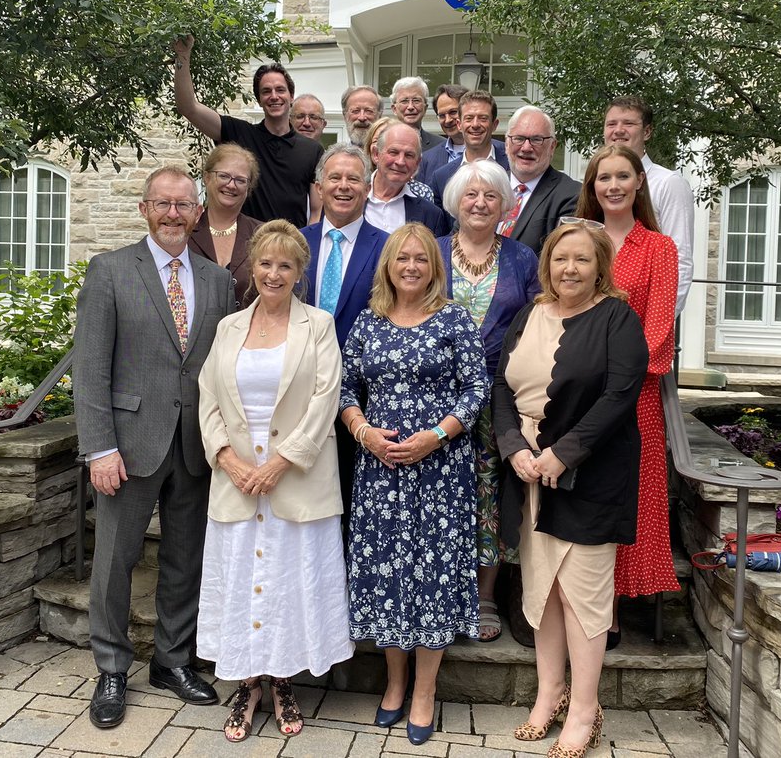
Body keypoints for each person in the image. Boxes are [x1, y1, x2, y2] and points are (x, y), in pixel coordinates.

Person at [74, 167, 235, 729]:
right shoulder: (111, 271)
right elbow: (90, 369)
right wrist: (99, 449)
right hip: (129, 446)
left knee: (184, 560)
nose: (173, 214)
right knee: (115, 561)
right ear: (145, 209)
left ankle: (172, 662)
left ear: (197, 213)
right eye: (162, 204)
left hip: (195, 447)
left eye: (183, 205)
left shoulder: (218, 281)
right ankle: (112, 669)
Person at [491, 222, 648, 758]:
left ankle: (584, 708)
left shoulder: (617, 318)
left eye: (582, 260)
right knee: (543, 588)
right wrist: (514, 447)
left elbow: (620, 394)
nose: (570, 269)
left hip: (590, 475)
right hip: (530, 472)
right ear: (547, 265)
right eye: (561, 260)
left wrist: (564, 452)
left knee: (582, 595)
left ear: (600, 265)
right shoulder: (529, 313)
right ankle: (549, 693)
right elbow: (501, 388)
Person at [197, 220, 352, 742]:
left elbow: (324, 399)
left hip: (295, 480)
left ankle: (283, 679)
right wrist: (228, 459)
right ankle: (246, 683)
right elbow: (208, 399)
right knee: (242, 581)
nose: (273, 273)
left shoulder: (320, 326)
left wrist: (281, 462)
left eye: (285, 264)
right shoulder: (228, 329)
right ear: (252, 267)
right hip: (237, 481)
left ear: (300, 272)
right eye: (265, 262)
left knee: (287, 584)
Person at [339, 222, 489, 746]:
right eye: (401, 258)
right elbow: (345, 389)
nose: (410, 267)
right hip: (380, 473)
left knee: (433, 578)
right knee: (388, 575)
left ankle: (425, 690)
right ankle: (394, 682)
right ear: (387, 265)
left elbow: (476, 390)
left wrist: (434, 436)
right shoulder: (368, 321)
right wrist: (364, 432)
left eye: (420, 259)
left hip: (439, 472)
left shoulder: (454, 320)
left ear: (434, 267)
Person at [576, 144, 680, 646]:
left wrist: (613, 377)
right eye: (603, 178)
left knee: (624, 499)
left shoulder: (659, 248)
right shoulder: (578, 240)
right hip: (576, 392)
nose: (612, 186)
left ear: (639, 181)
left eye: (622, 176)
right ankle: (575, 603)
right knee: (582, 495)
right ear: (591, 187)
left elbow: (659, 328)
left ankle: (610, 608)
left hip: (633, 397)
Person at [437, 161, 540, 643]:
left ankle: (484, 596)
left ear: (505, 205)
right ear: (455, 200)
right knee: (440, 493)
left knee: (491, 497)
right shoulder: (431, 253)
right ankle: (440, 590)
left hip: (501, 397)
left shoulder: (523, 259)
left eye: (491, 196)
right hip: (435, 397)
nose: (480, 203)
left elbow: (540, 321)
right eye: (471, 194)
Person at [300, 144, 388, 510]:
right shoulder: (295, 244)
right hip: (299, 393)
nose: (343, 185)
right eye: (334, 177)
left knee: (354, 501)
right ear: (319, 187)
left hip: (363, 401)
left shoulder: (387, 248)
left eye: (354, 178)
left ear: (368, 188)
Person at [174, 35, 321, 228]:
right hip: (243, 247)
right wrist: (182, 55)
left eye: (280, 90)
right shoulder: (238, 134)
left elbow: (317, 212)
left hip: (288, 249)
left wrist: (306, 245)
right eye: (266, 91)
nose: (274, 96)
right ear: (259, 100)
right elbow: (188, 107)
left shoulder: (312, 150)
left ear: (291, 96)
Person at [602, 96, 694, 315]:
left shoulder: (668, 183)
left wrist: (661, 321)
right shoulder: (597, 181)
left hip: (645, 312)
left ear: (647, 132)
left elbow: (680, 260)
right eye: (611, 124)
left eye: (629, 124)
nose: (618, 130)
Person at [189, 144, 263, 309]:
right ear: (207, 178)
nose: (231, 185)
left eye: (240, 180)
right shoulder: (185, 231)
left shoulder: (263, 235)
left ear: (248, 187)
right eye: (223, 176)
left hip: (249, 333)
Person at [501, 106, 581, 255]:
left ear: (552, 147)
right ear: (506, 143)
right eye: (518, 138)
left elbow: (561, 258)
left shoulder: (572, 195)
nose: (526, 148)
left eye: (536, 140)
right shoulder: (487, 186)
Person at [365, 122, 452, 235]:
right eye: (394, 152)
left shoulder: (431, 215)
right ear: (376, 154)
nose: (400, 162)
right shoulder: (352, 199)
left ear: (417, 163)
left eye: (409, 155)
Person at [430, 90, 509, 207]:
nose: (475, 124)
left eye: (483, 118)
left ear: (494, 125)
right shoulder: (441, 177)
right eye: (469, 118)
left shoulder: (513, 167)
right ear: (459, 125)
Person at [418, 84, 507, 186]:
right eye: (442, 115)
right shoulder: (428, 161)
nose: (448, 120)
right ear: (460, 124)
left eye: (453, 112)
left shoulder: (510, 155)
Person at [390, 76, 444, 152]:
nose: (410, 107)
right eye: (404, 101)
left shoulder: (441, 145)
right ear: (394, 109)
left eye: (416, 100)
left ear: (425, 108)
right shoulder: (383, 141)